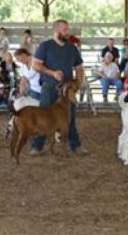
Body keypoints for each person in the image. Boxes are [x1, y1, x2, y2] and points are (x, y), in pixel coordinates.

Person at [31, 19, 87, 156]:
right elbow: (35, 65)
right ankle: (37, 147)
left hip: (68, 89)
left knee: (70, 118)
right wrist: (52, 73)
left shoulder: (72, 48)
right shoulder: (45, 46)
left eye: (67, 29)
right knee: (44, 117)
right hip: (49, 87)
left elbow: (79, 68)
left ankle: (76, 146)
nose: (67, 32)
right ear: (56, 30)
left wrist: (78, 84)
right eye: (65, 30)